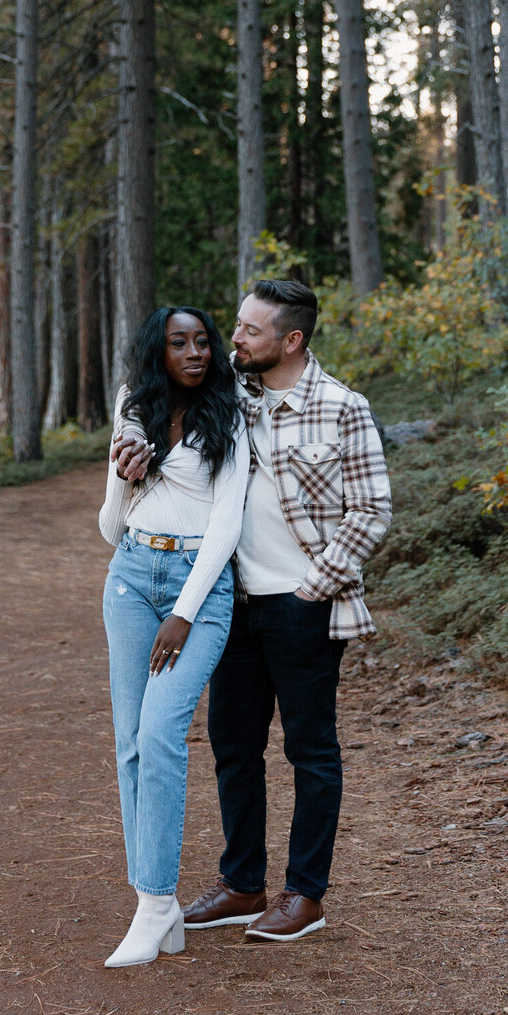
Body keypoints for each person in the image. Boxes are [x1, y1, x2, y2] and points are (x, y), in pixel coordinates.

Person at [117, 278, 392, 944]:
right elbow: (167, 439)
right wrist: (132, 464)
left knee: (310, 750)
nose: (231, 339)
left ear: (291, 340)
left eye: (249, 330)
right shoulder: (228, 399)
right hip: (229, 600)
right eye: (234, 326)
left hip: (305, 607)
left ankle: (305, 894)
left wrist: (313, 585)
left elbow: (373, 509)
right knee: (233, 748)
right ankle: (243, 883)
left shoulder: (341, 407)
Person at [98, 306, 248, 968]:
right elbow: (109, 526)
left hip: (199, 589)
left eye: (202, 341)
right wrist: (125, 479)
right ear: (155, 352)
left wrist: (185, 610)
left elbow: (226, 522)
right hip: (131, 576)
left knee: (161, 736)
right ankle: (155, 907)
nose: (193, 351)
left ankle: (156, 903)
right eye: (177, 342)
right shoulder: (135, 405)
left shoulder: (232, 406)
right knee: (130, 743)